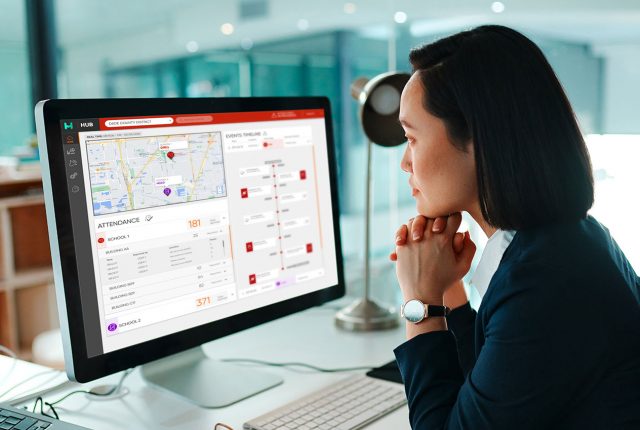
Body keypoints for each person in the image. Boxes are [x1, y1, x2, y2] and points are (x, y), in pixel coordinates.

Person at [389, 25, 640, 429]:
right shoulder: (567, 241)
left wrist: (420, 305)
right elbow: (491, 388)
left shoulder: (544, 282)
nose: (405, 161)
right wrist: (447, 292)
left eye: (411, 137)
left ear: (476, 138)